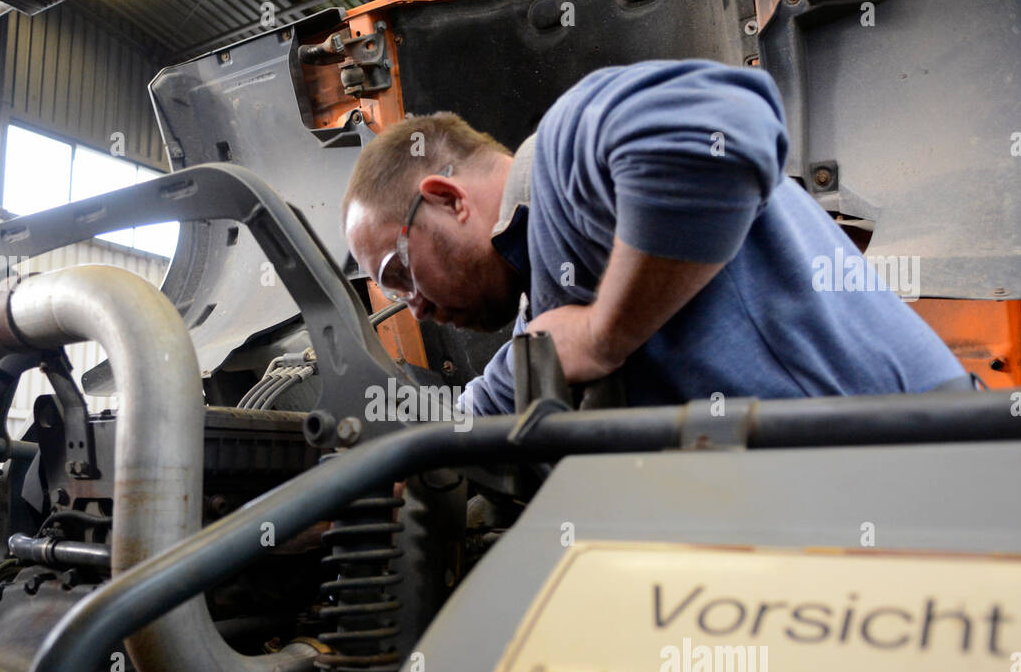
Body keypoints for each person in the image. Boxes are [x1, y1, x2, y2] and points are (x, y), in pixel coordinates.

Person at [340, 59, 972, 415]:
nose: (413, 305)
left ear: (448, 200)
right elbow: (474, 417)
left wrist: (603, 334)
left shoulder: (565, 158)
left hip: (925, 464)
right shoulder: (543, 309)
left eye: (399, 271)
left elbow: (727, 123)